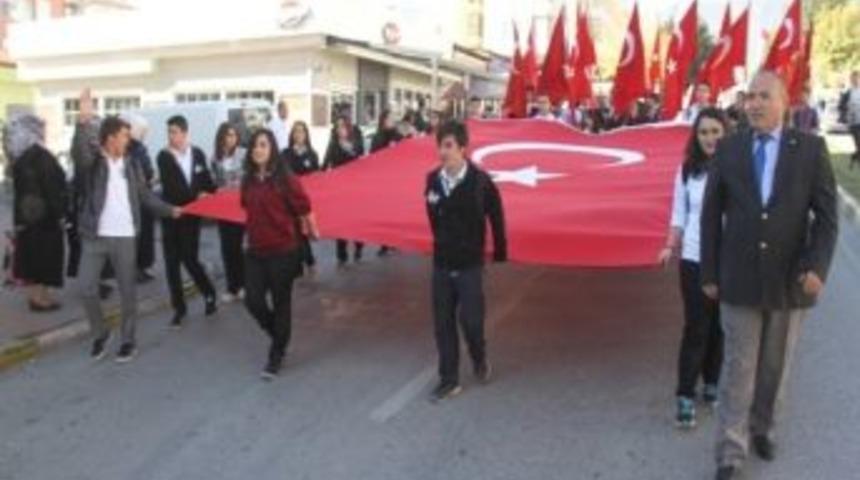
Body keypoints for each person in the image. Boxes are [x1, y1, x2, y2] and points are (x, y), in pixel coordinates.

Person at [700, 71, 838, 480]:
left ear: (784, 102)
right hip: (738, 279)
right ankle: (730, 452)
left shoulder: (811, 150)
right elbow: (710, 217)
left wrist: (817, 266)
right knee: (739, 369)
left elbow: (828, 218)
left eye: (764, 96)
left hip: (789, 280)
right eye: (750, 97)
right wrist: (709, 271)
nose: (755, 104)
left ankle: (763, 428)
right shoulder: (728, 149)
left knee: (775, 368)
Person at [71, 89, 181, 362]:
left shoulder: (132, 165)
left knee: (127, 291)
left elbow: (145, 196)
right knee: (86, 287)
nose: (128, 141)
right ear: (110, 138)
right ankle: (101, 333)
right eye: (124, 136)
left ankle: (128, 340)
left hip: (125, 237)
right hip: (95, 237)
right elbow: (79, 153)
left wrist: (170, 210)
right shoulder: (93, 164)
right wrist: (84, 121)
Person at [424, 120, 507, 402]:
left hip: (470, 265)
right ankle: (449, 379)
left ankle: (479, 357)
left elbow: (496, 216)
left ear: (463, 148)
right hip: (442, 264)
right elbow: (433, 216)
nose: (443, 152)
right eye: (440, 146)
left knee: (471, 322)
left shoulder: (480, 182)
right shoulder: (432, 180)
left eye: (448, 146)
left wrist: (499, 251)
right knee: (443, 324)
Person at [658, 108, 728, 429]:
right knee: (696, 328)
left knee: (719, 328)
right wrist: (669, 245)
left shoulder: (738, 169)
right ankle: (685, 395)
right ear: (695, 137)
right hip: (694, 260)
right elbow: (678, 214)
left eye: (715, 131)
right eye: (703, 132)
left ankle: (712, 382)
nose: (710, 138)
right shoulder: (687, 171)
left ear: (726, 133)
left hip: (729, 263)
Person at [241, 128, 317, 379]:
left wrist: (312, 228)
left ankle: (276, 355)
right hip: (255, 251)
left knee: (281, 303)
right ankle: (279, 335)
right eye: (254, 146)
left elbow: (304, 207)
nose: (258, 150)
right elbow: (248, 210)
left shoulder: (285, 179)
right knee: (253, 301)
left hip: (283, 251)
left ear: (272, 148)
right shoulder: (248, 180)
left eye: (263, 145)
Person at [156, 115, 218, 328]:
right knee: (172, 263)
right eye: (169, 132)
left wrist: (213, 194)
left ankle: (209, 294)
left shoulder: (198, 153)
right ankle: (179, 309)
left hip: (192, 217)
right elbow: (173, 189)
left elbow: (207, 181)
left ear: (184, 133)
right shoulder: (163, 157)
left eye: (174, 132)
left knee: (190, 259)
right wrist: (197, 196)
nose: (171, 136)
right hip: (172, 215)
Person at [4, 113, 67, 311]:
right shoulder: (41, 157)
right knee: (44, 259)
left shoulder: (20, 159)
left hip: (28, 218)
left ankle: (38, 297)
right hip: (45, 219)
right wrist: (61, 214)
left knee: (31, 259)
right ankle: (40, 299)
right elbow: (52, 188)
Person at [211, 122, 246, 302]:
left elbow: (248, 178)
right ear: (221, 137)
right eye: (227, 135)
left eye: (233, 135)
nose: (230, 138)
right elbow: (213, 181)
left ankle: (242, 285)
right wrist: (216, 190)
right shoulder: (215, 157)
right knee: (227, 247)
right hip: (223, 208)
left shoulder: (243, 154)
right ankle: (231, 287)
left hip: (240, 207)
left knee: (238, 246)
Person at [324, 116, 365, 266]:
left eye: (342, 126)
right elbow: (327, 161)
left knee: (356, 217)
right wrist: (320, 174)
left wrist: (346, 145)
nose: (340, 129)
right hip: (339, 187)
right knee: (340, 218)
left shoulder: (355, 141)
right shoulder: (333, 144)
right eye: (337, 126)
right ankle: (341, 251)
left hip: (354, 186)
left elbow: (359, 154)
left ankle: (359, 245)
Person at [281, 120, 320, 274]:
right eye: (296, 131)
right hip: (289, 197)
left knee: (303, 230)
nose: (299, 134)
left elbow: (317, 174)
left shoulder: (312, 154)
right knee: (296, 230)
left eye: (302, 131)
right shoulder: (286, 153)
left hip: (305, 199)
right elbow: (283, 173)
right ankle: (304, 261)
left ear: (306, 134)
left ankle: (307, 260)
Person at [122, 114, 157, 283]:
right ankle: (138, 268)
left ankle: (139, 267)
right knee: (139, 236)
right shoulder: (136, 148)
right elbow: (146, 170)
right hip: (138, 198)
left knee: (140, 235)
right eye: (142, 131)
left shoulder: (134, 148)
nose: (144, 134)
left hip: (139, 197)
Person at [370, 110, 404, 258]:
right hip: (382, 178)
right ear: (383, 120)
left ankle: (394, 239)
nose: (392, 120)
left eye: (393, 118)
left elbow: (406, 151)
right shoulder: (378, 136)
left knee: (395, 210)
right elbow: (373, 155)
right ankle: (384, 242)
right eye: (389, 118)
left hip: (396, 177)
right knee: (384, 211)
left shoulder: (398, 135)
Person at [841, 71, 860, 169]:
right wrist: (845, 114)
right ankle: (855, 157)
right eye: (853, 79)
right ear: (851, 80)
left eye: (857, 78)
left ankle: (855, 157)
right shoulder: (848, 92)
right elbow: (841, 106)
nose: (855, 80)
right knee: (858, 142)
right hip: (853, 122)